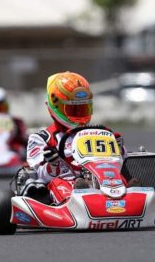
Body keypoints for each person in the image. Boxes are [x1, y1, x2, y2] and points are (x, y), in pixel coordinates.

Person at [25, 71, 130, 204]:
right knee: (59, 183)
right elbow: (40, 176)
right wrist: (52, 164)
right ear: (56, 105)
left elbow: (121, 162)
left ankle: (132, 195)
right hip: (68, 185)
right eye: (74, 109)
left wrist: (118, 149)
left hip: (102, 180)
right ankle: (76, 201)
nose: (79, 114)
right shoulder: (42, 138)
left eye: (83, 108)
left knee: (119, 177)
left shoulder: (99, 132)